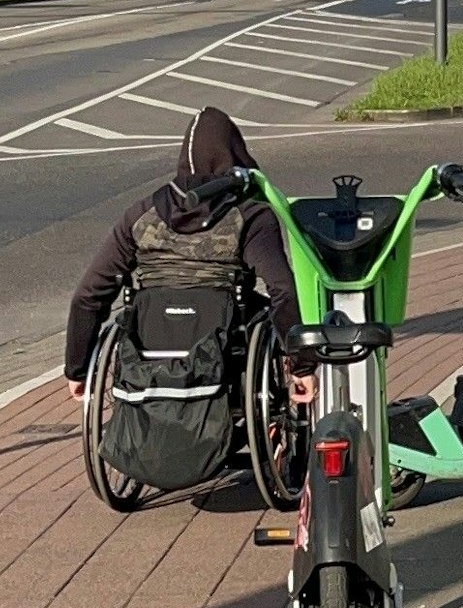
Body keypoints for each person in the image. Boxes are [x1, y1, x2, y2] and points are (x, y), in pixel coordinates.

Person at [64, 107, 314, 406]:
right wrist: (302, 366)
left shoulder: (142, 215)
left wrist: (78, 369)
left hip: (152, 339)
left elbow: (90, 295)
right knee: (264, 312)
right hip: (227, 344)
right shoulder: (250, 216)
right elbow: (282, 290)